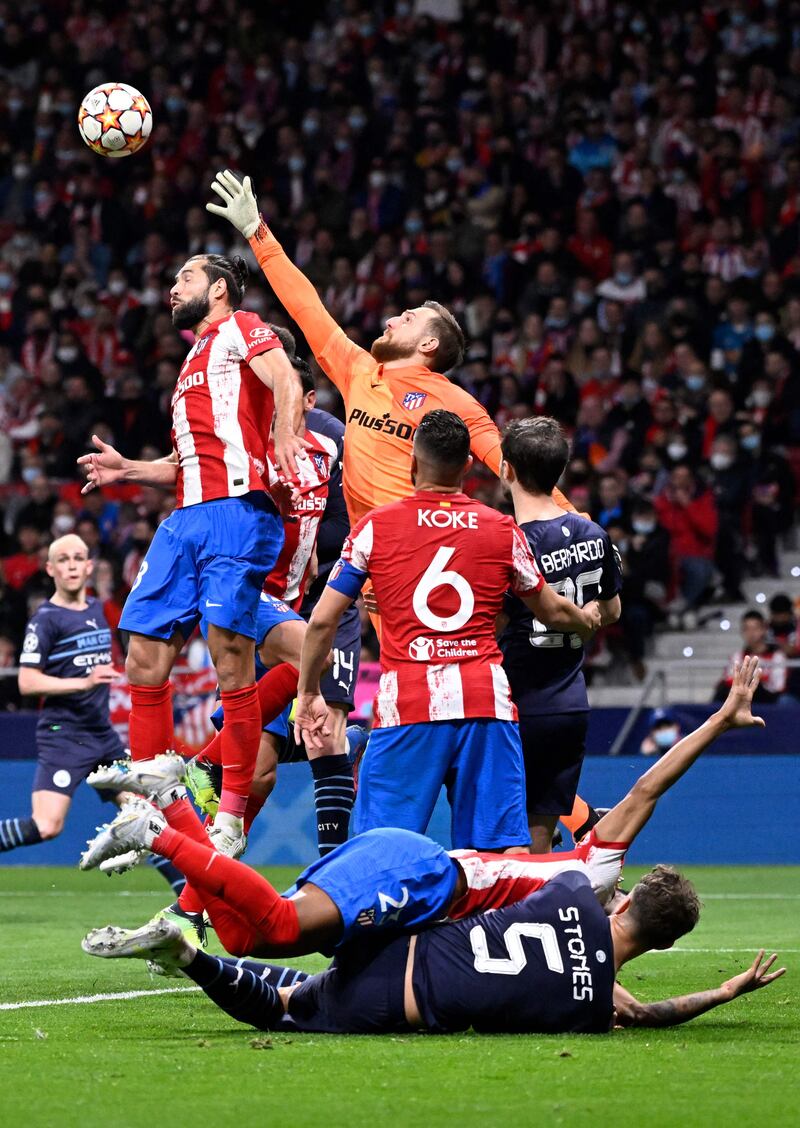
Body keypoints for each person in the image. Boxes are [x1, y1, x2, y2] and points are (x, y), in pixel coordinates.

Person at [78, 630, 770, 969]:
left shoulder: (588, 906)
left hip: (423, 880)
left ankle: (168, 807)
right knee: (286, 933)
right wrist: (716, 720)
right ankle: (162, 830)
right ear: (623, 904)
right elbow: (652, 785)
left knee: (240, 934)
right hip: (421, 877)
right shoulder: (594, 881)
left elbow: (648, 794)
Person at [205, 171, 579, 630]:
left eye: (408, 317)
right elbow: (306, 305)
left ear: (428, 346)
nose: (390, 317)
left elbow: (516, 469)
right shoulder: (357, 370)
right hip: (374, 567)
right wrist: (256, 232)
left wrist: (578, 524)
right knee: (397, 682)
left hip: (426, 554)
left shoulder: (455, 403)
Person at [77, 252, 304, 860]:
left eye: (185, 277)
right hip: (184, 522)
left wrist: (285, 431)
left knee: (232, 660)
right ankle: (148, 800)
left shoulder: (243, 328)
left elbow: (284, 375)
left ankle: (228, 816)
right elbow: (185, 463)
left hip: (237, 513)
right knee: (144, 656)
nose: (172, 286)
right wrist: (128, 469)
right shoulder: (192, 362)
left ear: (221, 289)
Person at [294, 410, 601, 849]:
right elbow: (552, 612)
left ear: (413, 465)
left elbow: (322, 620)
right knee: (499, 852)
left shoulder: (375, 528)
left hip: (409, 705)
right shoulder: (502, 530)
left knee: (381, 849)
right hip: (484, 703)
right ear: (469, 467)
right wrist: (587, 617)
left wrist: (309, 692)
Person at [80, 869, 785, 1037]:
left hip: (398, 942)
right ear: (662, 946)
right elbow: (650, 1013)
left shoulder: (571, 887)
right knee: (290, 1011)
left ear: (626, 903)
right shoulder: (596, 1006)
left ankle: (189, 911)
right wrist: (724, 993)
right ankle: (189, 949)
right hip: (404, 1002)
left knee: (297, 983)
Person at [0, 535, 185, 895]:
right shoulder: (45, 620)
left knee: (148, 817)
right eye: (63, 559)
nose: (71, 565)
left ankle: (191, 902)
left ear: (89, 566)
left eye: (78, 558)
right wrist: (83, 684)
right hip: (63, 736)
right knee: (46, 826)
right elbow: (27, 681)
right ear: (50, 569)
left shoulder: (98, 610)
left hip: (102, 738)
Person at [498, 417, 622, 852]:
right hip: (569, 704)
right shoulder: (594, 533)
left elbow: (491, 624)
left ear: (506, 468)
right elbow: (612, 609)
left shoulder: (508, 541)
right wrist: (583, 616)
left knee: (500, 837)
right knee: (541, 837)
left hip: (514, 705)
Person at [714, 611, 787, 705]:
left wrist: (755, 681)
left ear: (764, 630)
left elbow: (778, 687)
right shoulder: (737, 656)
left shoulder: (777, 657)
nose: (751, 633)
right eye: (747, 629)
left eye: (755, 628)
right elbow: (728, 679)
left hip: (766, 699)